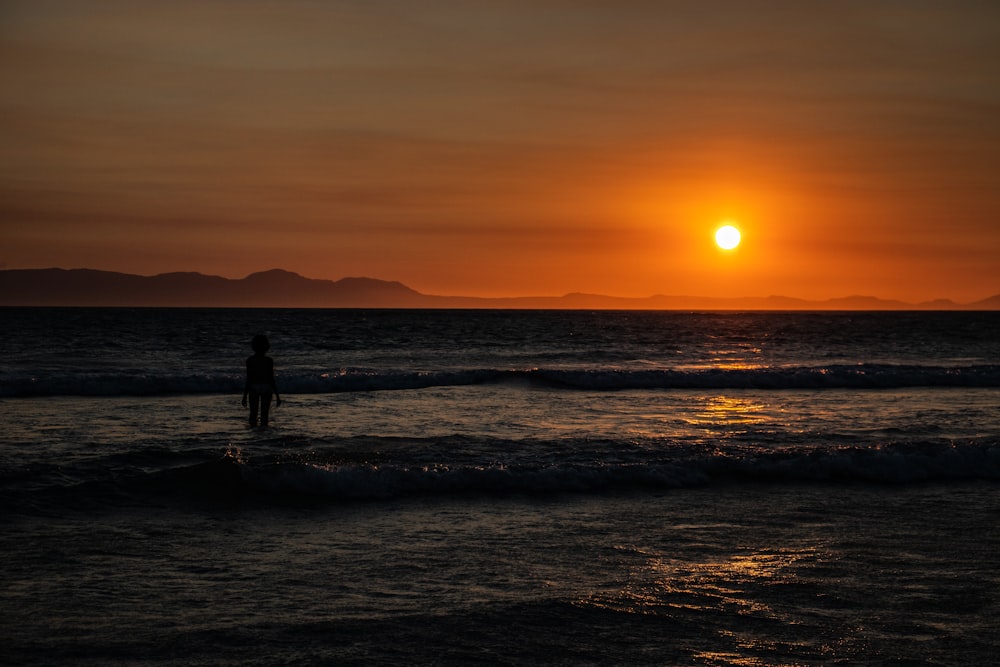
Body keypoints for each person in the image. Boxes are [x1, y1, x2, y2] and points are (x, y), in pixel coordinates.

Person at [242, 334, 281, 427]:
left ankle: (253, 435)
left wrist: (244, 396)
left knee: (253, 414)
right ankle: (263, 435)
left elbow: (249, 379)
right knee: (265, 416)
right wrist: (277, 396)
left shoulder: (250, 360)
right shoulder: (269, 360)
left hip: (254, 387)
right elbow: (271, 379)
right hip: (266, 387)